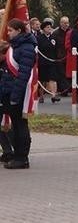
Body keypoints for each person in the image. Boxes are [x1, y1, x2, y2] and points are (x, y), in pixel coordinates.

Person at [0, 19, 36, 169]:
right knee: (15, 124)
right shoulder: (15, 46)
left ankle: (22, 157)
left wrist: (15, 95)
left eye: (10, 31)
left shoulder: (26, 47)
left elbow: (23, 74)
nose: (8, 33)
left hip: (19, 93)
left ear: (19, 31)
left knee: (20, 125)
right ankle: (15, 153)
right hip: (9, 91)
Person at [0, 40, 16, 164]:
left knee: (8, 125)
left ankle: (15, 151)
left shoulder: (8, 65)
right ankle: (7, 151)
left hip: (6, 98)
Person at [36, 20, 59, 104]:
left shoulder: (53, 38)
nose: (49, 29)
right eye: (47, 27)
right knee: (43, 80)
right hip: (43, 62)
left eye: (50, 27)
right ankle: (41, 96)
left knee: (53, 78)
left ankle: (53, 96)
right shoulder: (39, 38)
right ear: (43, 29)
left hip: (52, 61)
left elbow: (56, 48)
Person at [51, 16, 70, 96]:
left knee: (68, 73)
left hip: (69, 55)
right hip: (59, 56)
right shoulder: (56, 33)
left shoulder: (70, 32)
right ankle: (64, 90)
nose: (66, 25)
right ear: (61, 23)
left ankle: (69, 88)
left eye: (67, 23)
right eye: (64, 23)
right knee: (61, 74)